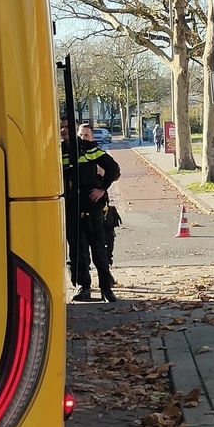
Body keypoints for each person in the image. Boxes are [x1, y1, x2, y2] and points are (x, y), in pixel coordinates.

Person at [61, 117, 122, 302]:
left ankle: (106, 289)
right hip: (72, 208)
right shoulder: (57, 151)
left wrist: (102, 188)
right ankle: (83, 288)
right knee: (78, 252)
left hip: (93, 208)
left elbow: (113, 169)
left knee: (99, 251)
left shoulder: (89, 148)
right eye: (61, 127)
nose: (63, 130)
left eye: (67, 126)